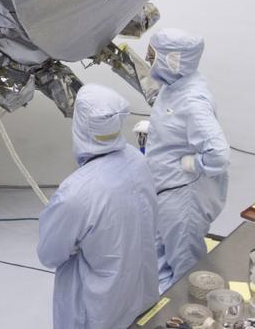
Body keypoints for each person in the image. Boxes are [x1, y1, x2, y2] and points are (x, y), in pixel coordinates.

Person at [37, 84, 159, 329]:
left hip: (98, 311)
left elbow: (49, 255)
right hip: (141, 295)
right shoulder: (137, 160)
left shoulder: (75, 194)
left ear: (80, 125)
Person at [139, 29, 230, 289]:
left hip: (184, 198)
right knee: (159, 251)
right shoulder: (175, 85)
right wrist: (157, 133)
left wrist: (190, 164)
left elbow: (219, 155)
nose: (148, 59)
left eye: (152, 55)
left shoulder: (192, 99)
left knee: (185, 267)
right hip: (166, 189)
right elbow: (178, 125)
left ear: (172, 60)